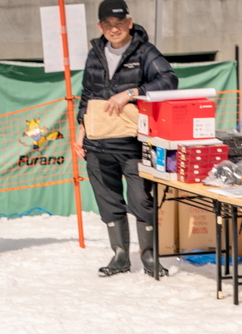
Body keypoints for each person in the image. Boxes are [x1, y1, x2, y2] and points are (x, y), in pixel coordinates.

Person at [74, 0, 177, 278]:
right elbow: (86, 94)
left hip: (133, 143)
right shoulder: (94, 53)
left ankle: (150, 257)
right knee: (107, 200)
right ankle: (120, 256)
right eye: (108, 25)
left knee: (140, 199)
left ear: (129, 23)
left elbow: (169, 80)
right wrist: (80, 131)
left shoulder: (145, 52)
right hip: (97, 143)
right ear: (100, 27)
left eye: (119, 24)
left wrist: (132, 92)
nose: (114, 29)